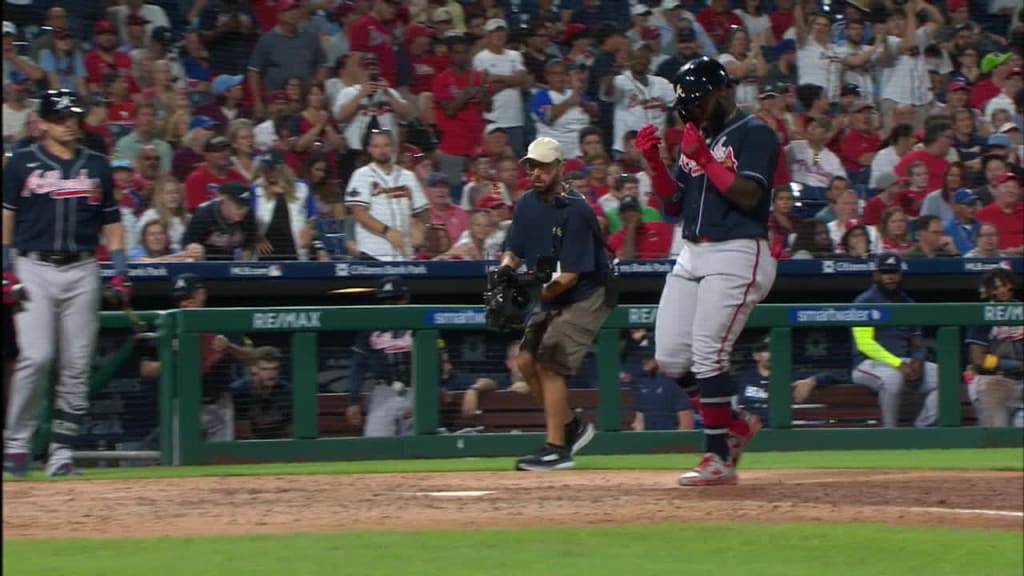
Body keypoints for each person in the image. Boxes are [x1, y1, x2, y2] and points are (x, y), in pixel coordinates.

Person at [634, 56, 778, 486]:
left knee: (708, 353)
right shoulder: (698, 135)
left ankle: (717, 456)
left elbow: (750, 196)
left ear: (722, 93)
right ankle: (733, 423)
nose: (690, 112)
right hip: (692, 251)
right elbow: (673, 204)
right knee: (670, 357)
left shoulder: (755, 133)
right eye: (685, 107)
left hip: (738, 249)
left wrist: (706, 160)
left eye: (697, 103)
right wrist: (656, 164)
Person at [2, 89, 130, 477]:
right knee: (36, 356)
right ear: (41, 122)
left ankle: (62, 452)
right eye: (60, 117)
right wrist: (4, 269)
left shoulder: (96, 165)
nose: (69, 123)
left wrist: (121, 270)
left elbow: (112, 223)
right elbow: (5, 218)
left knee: (76, 365)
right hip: (33, 267)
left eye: (73, 116)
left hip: (83, 268)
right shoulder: (21, 162)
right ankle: (17, 442)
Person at [497, 136, 612, 471]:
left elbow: (571, 276)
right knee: (526, 360)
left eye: (544, 166)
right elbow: (514, 250)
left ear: (561, 168)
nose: (536, 172)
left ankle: (557, 448)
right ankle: (571, 427)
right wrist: (505, 272)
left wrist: (529, 288)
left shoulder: (576, 210)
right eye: (532, 165)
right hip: (552, 291)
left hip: (586, 294)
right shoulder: (526, 204)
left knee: (548, 361)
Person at [140, 274, 256, 442]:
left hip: (218, 403)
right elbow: (146, 369)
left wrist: (230, 346)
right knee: (179, 459)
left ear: (202, 294)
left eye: (189, 297)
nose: (184, 303)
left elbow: (252, 359)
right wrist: (184, 359)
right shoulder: (168, 323)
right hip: (183, 402)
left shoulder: (221, 321)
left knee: (220, 458)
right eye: (179, 299)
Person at [850, 253, 938, 428]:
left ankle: (921, 428)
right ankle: (890, 433)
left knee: (945, 376)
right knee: (892, 379)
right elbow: (864, 344)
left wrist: (917, 361)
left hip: (902, 362)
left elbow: (916, 341)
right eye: (884, 272)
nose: (890, 277)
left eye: (894, 272)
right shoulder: (864, 302)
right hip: (868, 364)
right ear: (876, 275)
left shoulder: (909, 303)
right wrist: (898, 364)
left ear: (901, 274)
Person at [346, 276, 417, 437]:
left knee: (418, 442)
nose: (391, 303)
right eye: (387, 299)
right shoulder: (371, 325)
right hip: (384, 391)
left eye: (396, 298)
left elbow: (435, 364)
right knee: (375, 441)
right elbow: (358, 366)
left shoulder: (420, 321)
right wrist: (352, 401)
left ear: (406, 298)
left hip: (416, 390)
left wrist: (426, 398)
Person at [344, 129, 428, 260]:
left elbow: (422, 211)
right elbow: (358, 212)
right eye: (376, 146)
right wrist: (387, 231)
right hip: (373, 252)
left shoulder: (408, 176)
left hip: (404, 253)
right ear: (369, 149)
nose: (382, 150)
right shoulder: (361, 175)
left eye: (386, 145)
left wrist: (421, 227)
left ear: (393, 148)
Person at [734, 336, 836, 427]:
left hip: (784, 433)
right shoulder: (743, 378)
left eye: (776, 350)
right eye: (767, 350)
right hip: (750, 432)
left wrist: (812, 381)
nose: (772, 354)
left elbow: (832, 378)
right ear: (756, 355)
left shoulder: (794, 377)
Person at [964, 268, 1022, 427]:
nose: (1002, 290)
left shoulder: (1021, 309)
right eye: (996, 287)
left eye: (1004, 285)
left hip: (1020, 382)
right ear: (989, 291)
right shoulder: (982, 314)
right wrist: (1014, 364)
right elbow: (979, 360)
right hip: (992, 380)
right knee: (997, 434)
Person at [181, 181, 258, 261]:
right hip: (206, 261)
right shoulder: (204, 214)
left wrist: (243, 266)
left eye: (246, 207)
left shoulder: (249, 215)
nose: (243, 211)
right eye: (239, 206)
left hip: (232, 261)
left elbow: (249, 244)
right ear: (224, 200)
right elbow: (187, 240)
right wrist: (192, 247)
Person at [231, 346, 293, 439]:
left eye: (274, 369)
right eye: (265, 369)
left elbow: (291, 431)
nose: (271, 374)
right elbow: (244, 434)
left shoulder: (286, 391)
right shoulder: (240, 391)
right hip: (249, 449)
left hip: (279, 446)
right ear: (253, 369)